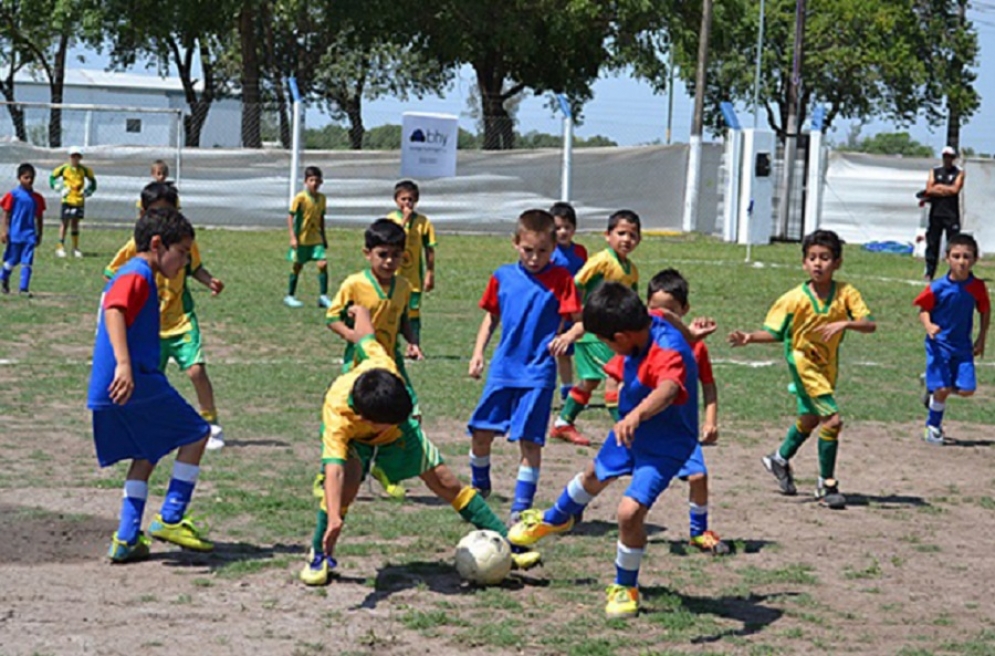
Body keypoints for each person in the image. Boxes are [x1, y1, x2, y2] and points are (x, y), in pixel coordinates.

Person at [299, 304, 540, 586]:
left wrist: (361, 312)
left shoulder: (383, 367)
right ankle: (320, 554)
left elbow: (366, 338)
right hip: (356, 441)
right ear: (367, 420)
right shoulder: (337, 414)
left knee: (446, 482)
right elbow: (334, 470)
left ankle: (509, 543)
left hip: (400, 434)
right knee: (345, 490)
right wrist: (333, 518)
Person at [508, 282, 700, 618]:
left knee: (628, 513)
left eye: (607, 342)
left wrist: (637, 415)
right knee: (592, 475)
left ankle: (625, 586)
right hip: (631, 430)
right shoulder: (649, 317)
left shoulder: (667, 350)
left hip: (665, 443)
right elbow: (666, 313)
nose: (608, 349)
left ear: (621, 337)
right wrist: (692, 335)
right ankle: (555, 519)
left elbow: (669, 389)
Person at [88, 207, 214, 563]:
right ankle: (171, 517)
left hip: (111, 385)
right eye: (183, 252)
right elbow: (114, 309)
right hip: (133, 380)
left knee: (147, 452)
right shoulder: (138, 273)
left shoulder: (138, 273)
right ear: (157, 244)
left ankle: (127, 537)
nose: (185, 262)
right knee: (197, 433)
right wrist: (125, 365)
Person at [728, 230, 876, 510]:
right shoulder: (793, 298)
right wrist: (749, 337)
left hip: (827, 366)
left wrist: (846, 323)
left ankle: (779, 458)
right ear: (804, 263)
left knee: (809, 419)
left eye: (825, 258)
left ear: (837, 262)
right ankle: (826, 485)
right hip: (803, 364)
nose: (818, 263)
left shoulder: (846, 293)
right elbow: (775, 332)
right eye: (812, 258)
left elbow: (870, 324)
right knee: (832, 421)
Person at [467, 209, 581, 523]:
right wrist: (478, 353)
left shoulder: (562, 279)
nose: (534, 258)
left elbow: (581, 321)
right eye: (528, 250)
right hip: (503, 369)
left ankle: (521, 508)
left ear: (553, 248)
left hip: (538, 373)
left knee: (530, 441)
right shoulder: (502, 276)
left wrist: (568, 335)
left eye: (543, 251)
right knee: (480, 432)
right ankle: (479, 485)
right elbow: (491, 316)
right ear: (515, 243)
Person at [105, 182, 226, 451]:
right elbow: (112, 274)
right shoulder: (135, 247)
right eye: (156, 213)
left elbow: (195, 268)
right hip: (151, 327)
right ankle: (147, 424)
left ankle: (210, 422)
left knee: (196, 370)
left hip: (180, 320)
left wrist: (209, 280)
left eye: (169, 213)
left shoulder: (183, 242)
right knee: (150, 380)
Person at [326, 218, 422, 498]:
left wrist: (413, 342)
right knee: (354, 422)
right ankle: (327, 476)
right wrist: (355, 338)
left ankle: (386, 470)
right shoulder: (354, 284)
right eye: (383, 254)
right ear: (367, 253)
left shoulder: (404, 286)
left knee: (407, 416)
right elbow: (332, 318)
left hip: (391, 363)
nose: (389, 261)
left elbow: (404, 319)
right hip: (360, 366)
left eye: (396, 255)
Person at [646, 269, 727, 554]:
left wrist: (710, 421)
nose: (662, 316)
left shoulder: (696, 348)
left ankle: (698, 532)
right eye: (655, 310)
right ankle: (570, 511)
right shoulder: (646, 342)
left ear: (685, 310)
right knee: (606, 474)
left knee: (698, 477)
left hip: (682, 430)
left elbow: (709, 387)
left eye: (670, 311)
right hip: (648, 427)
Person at [549, 209, 642, 446]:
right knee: (614, 378)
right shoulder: (602, 261)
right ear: (607, 235)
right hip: (594, 332)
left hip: (611, 334)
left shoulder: (631, 270)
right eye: (621, 233)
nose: (626, 239)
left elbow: (632, 301)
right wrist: (579, 316)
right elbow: (576, 284)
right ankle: (627, 431)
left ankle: (563, 423)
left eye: (632, 235)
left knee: (591, 381)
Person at [913, 233, 989, 445]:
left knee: (967, 390)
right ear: (947, 258)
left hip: (962, 346)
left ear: (975, 259)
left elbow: (984, 311)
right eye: (956, 256)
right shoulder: (937, 287)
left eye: (966, 256)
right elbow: (923, 309)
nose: (961, 261)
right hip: (939, 345)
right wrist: (929, 326)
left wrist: (981, 338)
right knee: (944, 389)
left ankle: (932, 385)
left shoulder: (977, 287)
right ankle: (933, 427)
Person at [386, 180, 436, 343]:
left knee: (413, 312)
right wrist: (404, 221)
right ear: (396, 200)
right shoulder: (390, 220)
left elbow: (429, 249)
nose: (407, 203)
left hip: (413, 277)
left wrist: (430, 273)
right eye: (403, 199)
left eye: (411, 199)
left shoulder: (423, 222)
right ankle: (391, 343)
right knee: (392, 309)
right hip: (393, 275)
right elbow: (390, 240)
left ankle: (414, 344)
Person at [549, 201, 588, 401]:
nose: (563, 232)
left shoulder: (580, 252)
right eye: (557, 228)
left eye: (567, 227)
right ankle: (563, 388)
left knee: (576, 349)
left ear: (574, 228)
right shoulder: (548, 253)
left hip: (576, 310)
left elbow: (587, 278)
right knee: (558, 350)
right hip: (556, 310)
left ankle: (576, 390)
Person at [285, 166, 330, 308]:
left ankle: (323, 297)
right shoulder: (300, 198)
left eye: (317, 180)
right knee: (297, 266)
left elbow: (321, 218)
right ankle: (290, 296)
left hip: (316, 238)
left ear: (321, 182)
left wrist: (324, 236)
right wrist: (292, 237)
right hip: (302, 238)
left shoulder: (322, 198)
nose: (314, 183)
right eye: (311, 180)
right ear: (305, 181)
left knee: (323, 264)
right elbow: (290, 217)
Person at [1, 163, 46, 297]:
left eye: (31, 177)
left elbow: (39, 217)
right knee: (12, 259)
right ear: (19, 178)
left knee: (27, 260)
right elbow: (6, 214)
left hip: (29, 234)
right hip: (15, 234)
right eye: (26, 177)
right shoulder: (13, 195)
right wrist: (3, 230)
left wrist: (39, 233)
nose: (29, 180)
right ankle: (3, 277)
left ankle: (23, 288)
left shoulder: (37, 198)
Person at [922, 146, 965, 281]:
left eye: (950, 157)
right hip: (936, 213)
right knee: (932, 243)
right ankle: (929, 272)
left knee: (953, 245)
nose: (947, 159)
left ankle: (954, 273)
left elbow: (955, 189)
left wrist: (939, 187)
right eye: (945, 156)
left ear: (954, 158)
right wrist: (945, 189)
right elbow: (929, 189)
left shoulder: (959, 172)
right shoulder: (935, 171)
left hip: (951, 214)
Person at [49, 146, 96, 258]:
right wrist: (60, 188)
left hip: (78, 201)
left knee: (75, 223)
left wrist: (87, 191)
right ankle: (60, 247)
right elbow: (52, 178)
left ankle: (75, 248)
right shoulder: (64, 168)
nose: (75, 159)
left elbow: (93, 182)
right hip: (67, 200)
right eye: (73, 156)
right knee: (64, 223)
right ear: (70, 157)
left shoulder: (84, 170)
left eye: (77, 156)